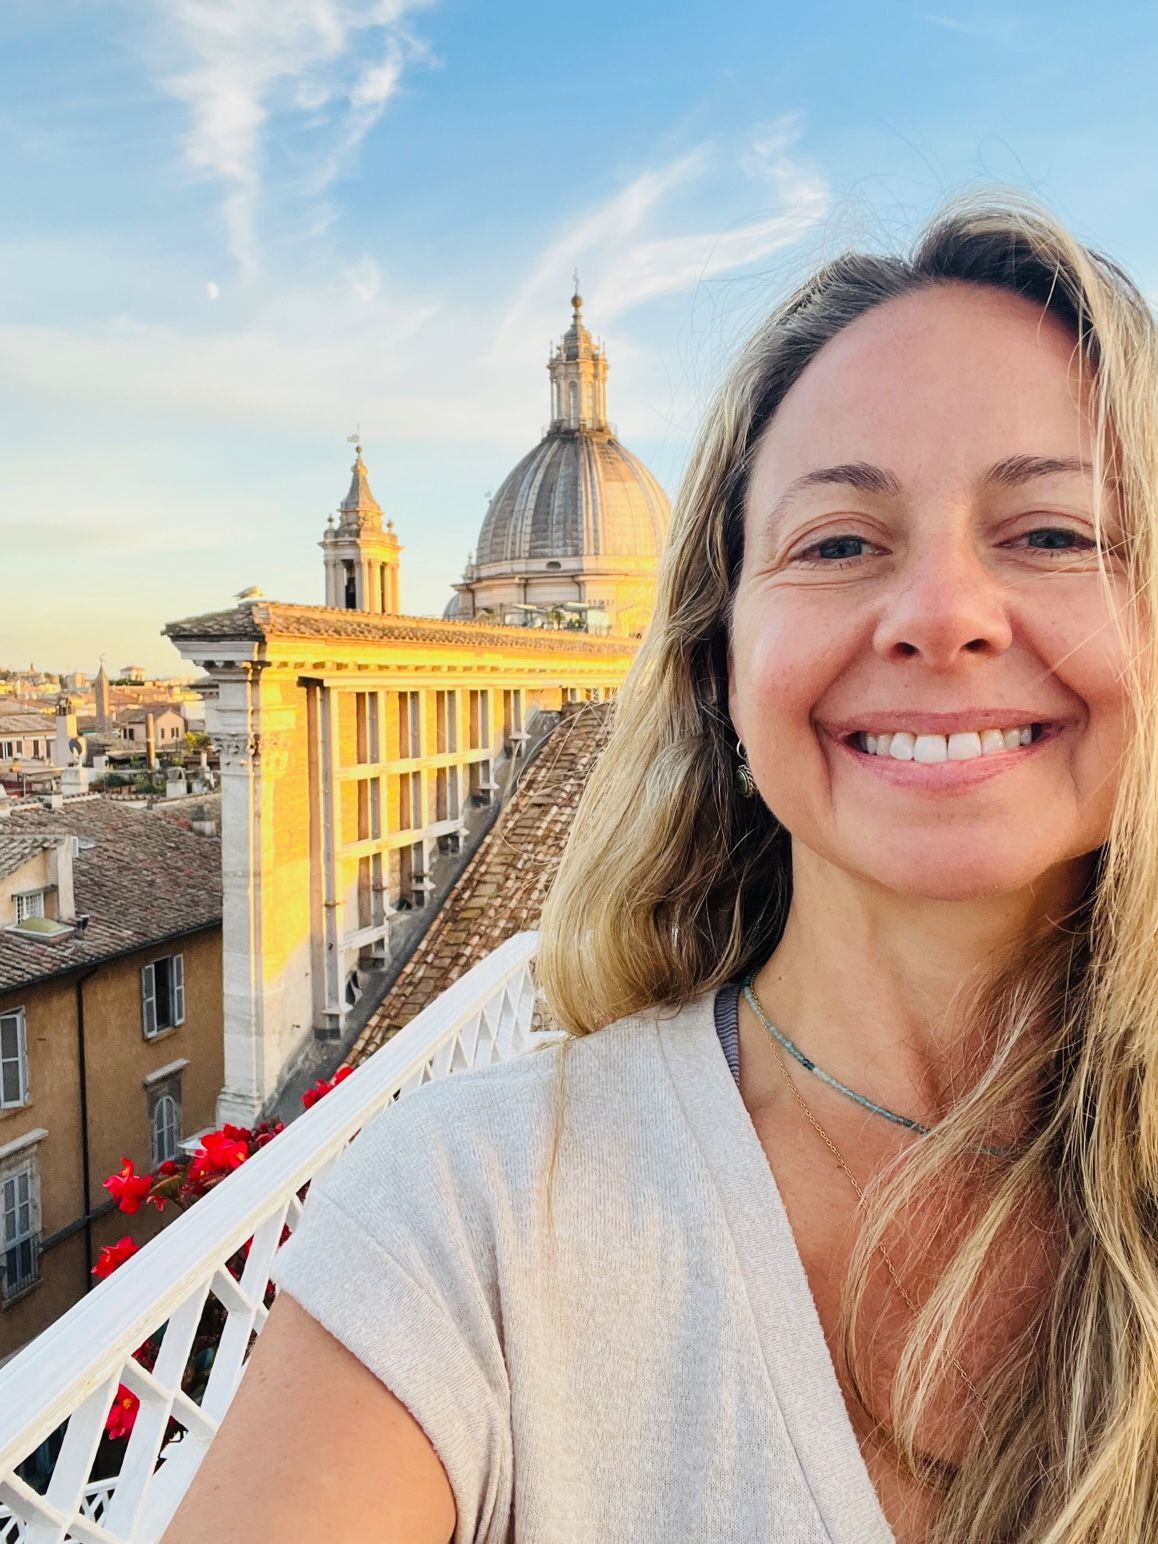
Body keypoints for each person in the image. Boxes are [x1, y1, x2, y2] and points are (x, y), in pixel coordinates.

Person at [163, 195, 1158, 1543]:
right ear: (714, 670)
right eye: (837, 543)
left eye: (1051, 533)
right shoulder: (469, 1213)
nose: (940, 615)